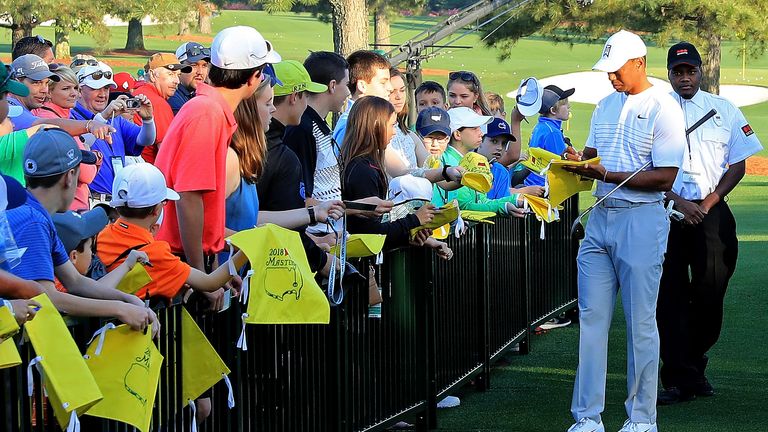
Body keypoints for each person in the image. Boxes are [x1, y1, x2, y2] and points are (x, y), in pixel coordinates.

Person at [562, 30, 686, 432]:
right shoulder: (604, 104)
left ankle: (641, 419)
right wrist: (578, 162)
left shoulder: (664, 106)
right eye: (608, 71)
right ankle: (587, 417)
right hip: (600, 217)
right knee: (592, 319)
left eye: (616, 70)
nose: (611, 78)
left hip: (641, 219)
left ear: (638, 63)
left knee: (640, 323)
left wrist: (606, 172)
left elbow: (665, 176)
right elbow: (595, 156)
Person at [656, 42, 763, 405]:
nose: (685, 77)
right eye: (678, 71)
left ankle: (691, 362)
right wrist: (681, 202)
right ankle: (680, 378)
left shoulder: (724, 110)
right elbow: (646, 167)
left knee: (710, 292)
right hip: (666, 212)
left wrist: (708, 202)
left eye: (691, 71)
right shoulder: (655, 110)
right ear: (668, 74)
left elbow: (738, 163)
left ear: (700, 72)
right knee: (668, 298)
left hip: (712, 211)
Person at [155, 26, 280, 275]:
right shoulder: (207, 112)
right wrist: (201, 275)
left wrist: (214, 266)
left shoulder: (209, 109)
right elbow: (188, 197)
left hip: (188, 257)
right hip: (176, 259)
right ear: (254, 77)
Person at [5, 128, 157, 332]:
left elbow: (76, 281)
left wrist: (127, 299)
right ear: (70, 176)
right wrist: (120, 309)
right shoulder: (32, 219)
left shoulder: (36, 213)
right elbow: (47, 297)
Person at [96, 163, 250, 301]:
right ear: (157, 210)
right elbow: (210, 282)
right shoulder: (156, 254)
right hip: (136, 330)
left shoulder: (101, 235)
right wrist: (248, 249)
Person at [341, 96, 450, 258]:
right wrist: (414, 221)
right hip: (361, 264)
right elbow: (370, 234)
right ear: (376, 126)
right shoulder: (362, 171)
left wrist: (410, 235)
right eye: (392, 126)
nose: (394, 132)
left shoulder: (367, 164)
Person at [70, 63, 156, 198]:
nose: (103, 94)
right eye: (96, 89)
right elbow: (82, 144)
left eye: (106, 88)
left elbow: (146, 140)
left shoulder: (115, 118)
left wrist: (148, 120)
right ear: (80, 91)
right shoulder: (71, 117)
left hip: (116, 200)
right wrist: (104, 117)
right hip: (90, 200)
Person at [32, 64, 103, 211]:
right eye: (66, 89)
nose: (74, 94)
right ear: (49, 93)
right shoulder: (52, 121)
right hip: (68, 211)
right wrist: (96, 159)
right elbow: (87, 174)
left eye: (76, 88)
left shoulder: (63, 118)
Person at [434, 107, 525, 216]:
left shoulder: (472, 159)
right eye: (475, 128)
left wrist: (516, 200)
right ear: (457, 134)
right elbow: (464, 206)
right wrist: (503, 206)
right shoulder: (448, 161)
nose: (481, 133)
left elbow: (482, 201)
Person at [7, 55, 114, 140]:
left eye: (46, 83)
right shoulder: (10, 106)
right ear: (16, 83)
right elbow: (43, 125)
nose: (44, 89)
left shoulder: (23, 107)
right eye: (36, 83)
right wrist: (89, 125)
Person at [133, 53, 192, 164]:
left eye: (178, 75)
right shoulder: (157, 103)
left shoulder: (138, 93)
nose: (177, 81)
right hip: (150, 172)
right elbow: (168, 152)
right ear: (152, 75)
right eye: (170, 74)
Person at [332, 50, 393, 144]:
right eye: (383, 83)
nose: (390, 88)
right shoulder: (350, 126)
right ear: (362, 86)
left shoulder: (376, 121)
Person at [525, 85, 575, 187]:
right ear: (553, 110)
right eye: (565, 104)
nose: (569, 107)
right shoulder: (552, 132)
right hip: (544, 186)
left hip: (533, 183)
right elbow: (561, 164)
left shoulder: (541, 126)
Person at [169, 42, 211, 114]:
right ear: (179, 68)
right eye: (194, 65)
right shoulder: (173, 97)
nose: (200, 72)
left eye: (204, 66)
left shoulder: (199, 94)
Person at [477, 117, 513, 199]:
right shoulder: (466, 163)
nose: (500, 148)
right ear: (480, 140)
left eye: (504, 143)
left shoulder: (501, 172)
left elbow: (502, 204)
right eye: (494, 141)